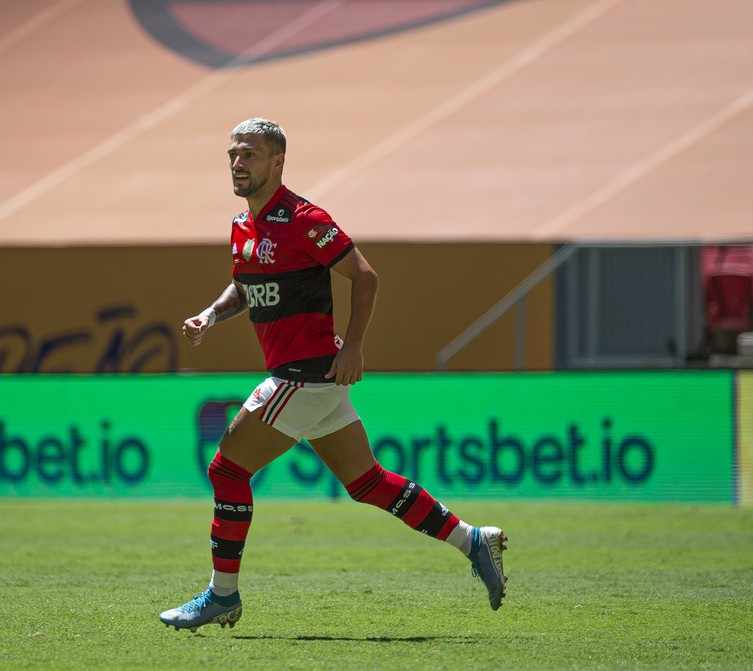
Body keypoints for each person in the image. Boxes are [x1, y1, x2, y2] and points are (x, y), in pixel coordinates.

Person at [159, 118, 507, 633]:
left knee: (227, 471)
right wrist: (211, 314)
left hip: (304, 374)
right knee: (368, 483)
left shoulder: (304, 219)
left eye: (249, 154)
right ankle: (473, 539)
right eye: (233, 154)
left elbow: (365, 275)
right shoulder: (242, 226)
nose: (237, 163)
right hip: (308, 377)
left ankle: (222, 596)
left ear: (277, 162)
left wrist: (356, 345)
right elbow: (245, 284)